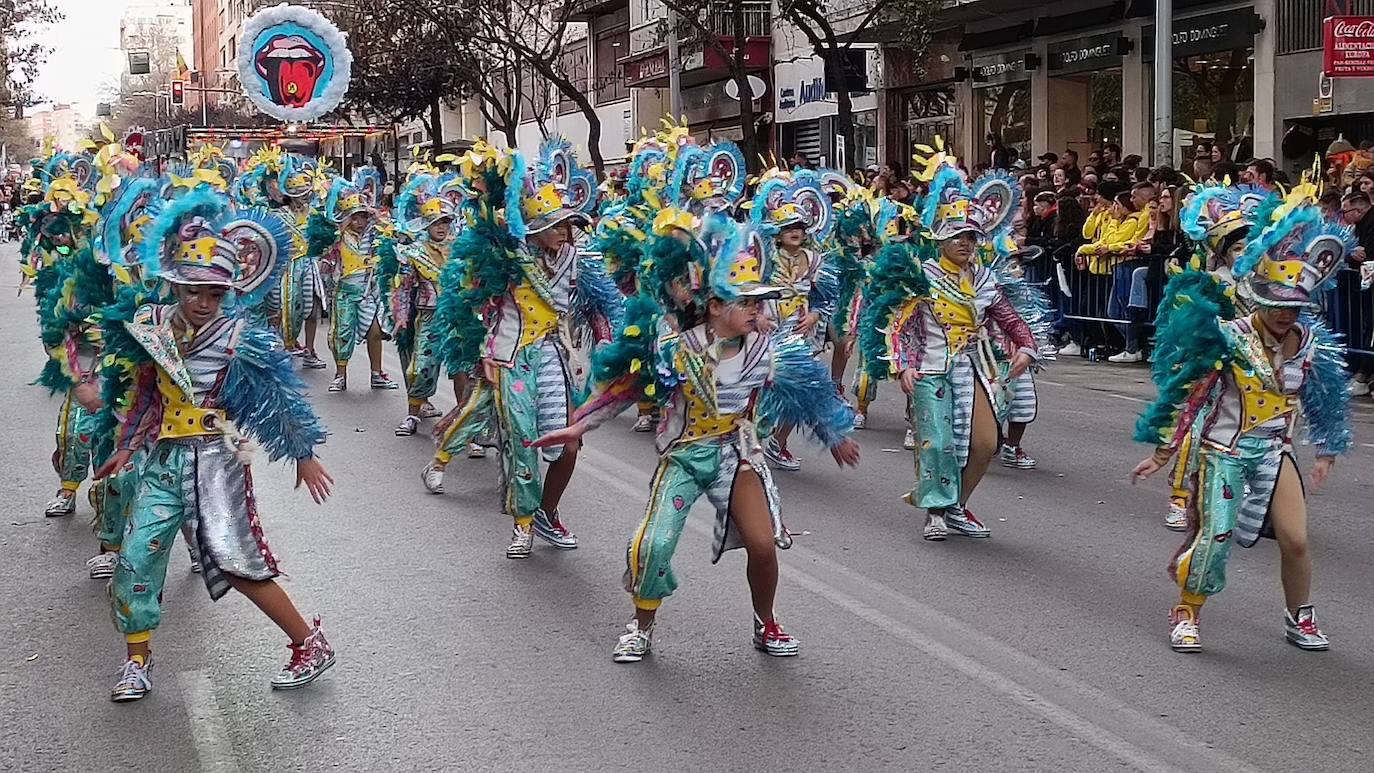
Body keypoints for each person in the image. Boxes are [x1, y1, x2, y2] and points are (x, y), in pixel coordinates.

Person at [534, 212, 860, 662]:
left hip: (737, 455)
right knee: (653, 542)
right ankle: (641, 624)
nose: (757, 311)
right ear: (714, 305)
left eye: (759, 302)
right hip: (685, 456)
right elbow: (625, 389)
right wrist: (580, 423)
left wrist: (835, 434)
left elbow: (810, 391)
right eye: (745, 302)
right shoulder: (674, 350)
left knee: (763, 545)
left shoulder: (769, 351)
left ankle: (765, 622)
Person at [94, 192, 335, 702]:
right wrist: (126, 446)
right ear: (176, 286)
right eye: (194, 291)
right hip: (161, 461)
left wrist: (303, 452)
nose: (204, 302)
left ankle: (309, 642)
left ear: (229, 294)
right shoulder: (153, 328)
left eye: (215, 294)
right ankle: (137, 660)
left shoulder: (240, 337)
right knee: (136, 558)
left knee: (234, 561)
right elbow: (145, 397)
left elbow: (278, 397)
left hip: (216, 461)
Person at [1132, 195, 1353, 653]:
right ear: (1257, 296)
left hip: (1276, 450)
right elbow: (1187, 396)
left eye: (1293, 306)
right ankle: (1188, 611)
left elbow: (1325, 397)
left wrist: (1329, 448)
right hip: (1223, 451)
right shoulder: (1230, 337)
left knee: (1295, 538)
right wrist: (1161, 452)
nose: (1283, 313)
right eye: (1275, 303)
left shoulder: (1309, 343)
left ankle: (1300, 617)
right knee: (1215, 536)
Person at [860, 157, 1042, 541]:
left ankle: (958, 505)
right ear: (940, 238)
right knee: (939, 442)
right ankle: (936, 511)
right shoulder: (922, 276)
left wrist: (1027, 344)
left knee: (986, 443)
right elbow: (899, 324)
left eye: (971, 236)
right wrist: (904, 365)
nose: (964, 242)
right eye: (956, 235)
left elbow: (1008, 317)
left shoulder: (985, 278)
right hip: (931, 367)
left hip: (975, 365)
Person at [315, 172, 399, 393]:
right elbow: (325, 259)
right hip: (344, 293)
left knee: (375, 331)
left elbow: (393, 233)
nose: (360, 222)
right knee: (342, 334)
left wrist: (377, 218)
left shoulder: (374, 236)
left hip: (368, 292)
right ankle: (340, 375)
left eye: (363, 217)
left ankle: (376, 373)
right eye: (355, 217)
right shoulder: (338, 238)